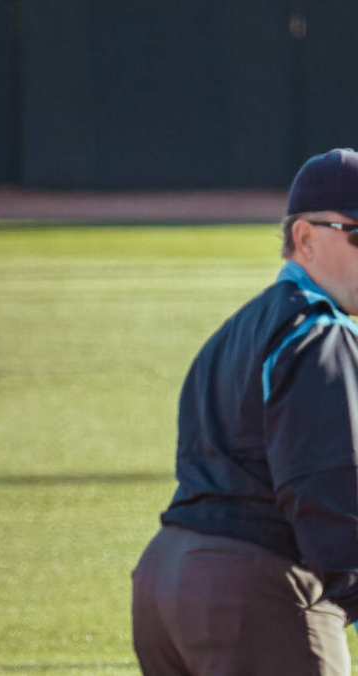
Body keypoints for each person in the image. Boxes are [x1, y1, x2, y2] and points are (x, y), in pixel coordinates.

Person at [131, 148, 358, 675]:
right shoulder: (318, 334)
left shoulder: (233, 332)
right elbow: (327, 484)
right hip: (253, 591)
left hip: (165, 582)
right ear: (305, 238)